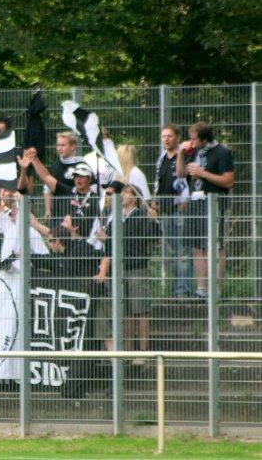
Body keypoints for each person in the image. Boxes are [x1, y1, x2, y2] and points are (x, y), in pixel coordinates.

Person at [94, 185, 160, 354]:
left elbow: (150, 238)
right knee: (126, 314)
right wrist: (106, 239)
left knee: (141, 310)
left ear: (134, 197)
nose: (122, 195)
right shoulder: (116, 219)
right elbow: (113, 248)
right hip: (119, 270)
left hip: (137, 269)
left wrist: (153, 220)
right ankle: (129, 352)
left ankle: (143, 352)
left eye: (126, 191)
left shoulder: (140, 217)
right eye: (121, 191)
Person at [176, 121, 234, 298]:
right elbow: (180, 173)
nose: (191, 141)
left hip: (214, 204)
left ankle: (216, 289)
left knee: (215, 246)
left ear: (204, 138)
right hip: (195, 203)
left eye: (194, 139)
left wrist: (202, 173)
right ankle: (201, 289)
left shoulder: (222, 152)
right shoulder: (192, 151)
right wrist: (180, 152)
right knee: (197, 247)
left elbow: (228, 181)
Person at [152, 124, 192, 297]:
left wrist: (185, 199)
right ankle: (176, 289)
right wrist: (155, 200)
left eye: (169, 136)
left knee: (182, 251)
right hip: (165, 210)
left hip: (180, 208)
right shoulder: (161, 158)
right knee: (172, 250)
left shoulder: (184, 155)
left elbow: (187, 179)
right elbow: (157, 181)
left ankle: (182, 291)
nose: (166, 139)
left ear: (177, 137)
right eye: (163, 136)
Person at [37, 132, 88, 222]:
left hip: (76, 216)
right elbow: (47, 189)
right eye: (58, 145)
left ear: (73, 146)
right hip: (57, 216)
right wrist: (48, 210)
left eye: (63, 145)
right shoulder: (55, 166)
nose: (59, 148)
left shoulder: (82, 166)